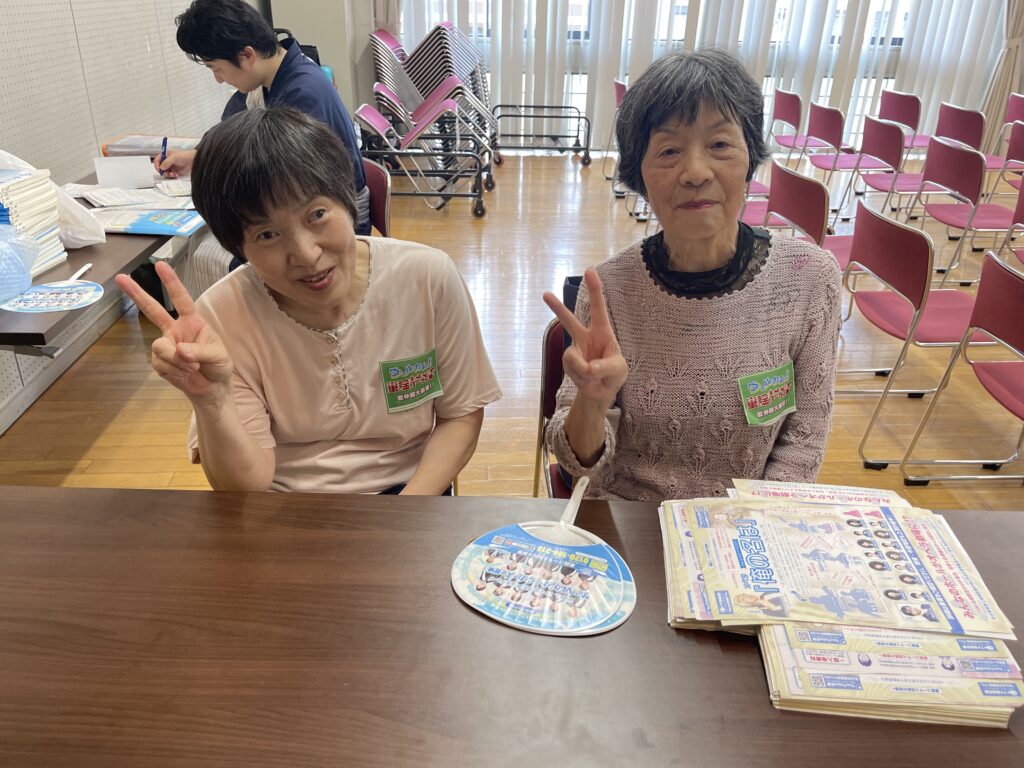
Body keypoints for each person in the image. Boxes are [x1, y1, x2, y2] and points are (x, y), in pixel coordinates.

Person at [116, 107, 500, 493]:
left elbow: (460, 415)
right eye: (267, 235)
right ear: (239, 248)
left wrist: (404, 513)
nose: (306, 254)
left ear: (348, 201)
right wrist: (211, 401)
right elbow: (246, 487)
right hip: (284, 505)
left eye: (316, 214)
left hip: (410, 490)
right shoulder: (221, 315)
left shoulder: (427, 278)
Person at [543, 49, 841, 501]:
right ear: (639, 176)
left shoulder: (809, 279)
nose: (696, 173)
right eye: (669, 151)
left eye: (719, 145)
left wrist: (744, 531)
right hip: (629, 524)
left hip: (748, 526)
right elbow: (578, 464)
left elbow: (802, 446)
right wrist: (592, 403)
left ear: (750, 157)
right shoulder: (609, 290)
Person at [159, 0, 370, 236]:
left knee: (228, 244)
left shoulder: (302, 94)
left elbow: (283, 181)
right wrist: (197, 157)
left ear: (247, 55)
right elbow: (230, 131)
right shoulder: (271, 80)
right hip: (307, 203)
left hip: (336, 218)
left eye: (216, 68)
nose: (218, 79)